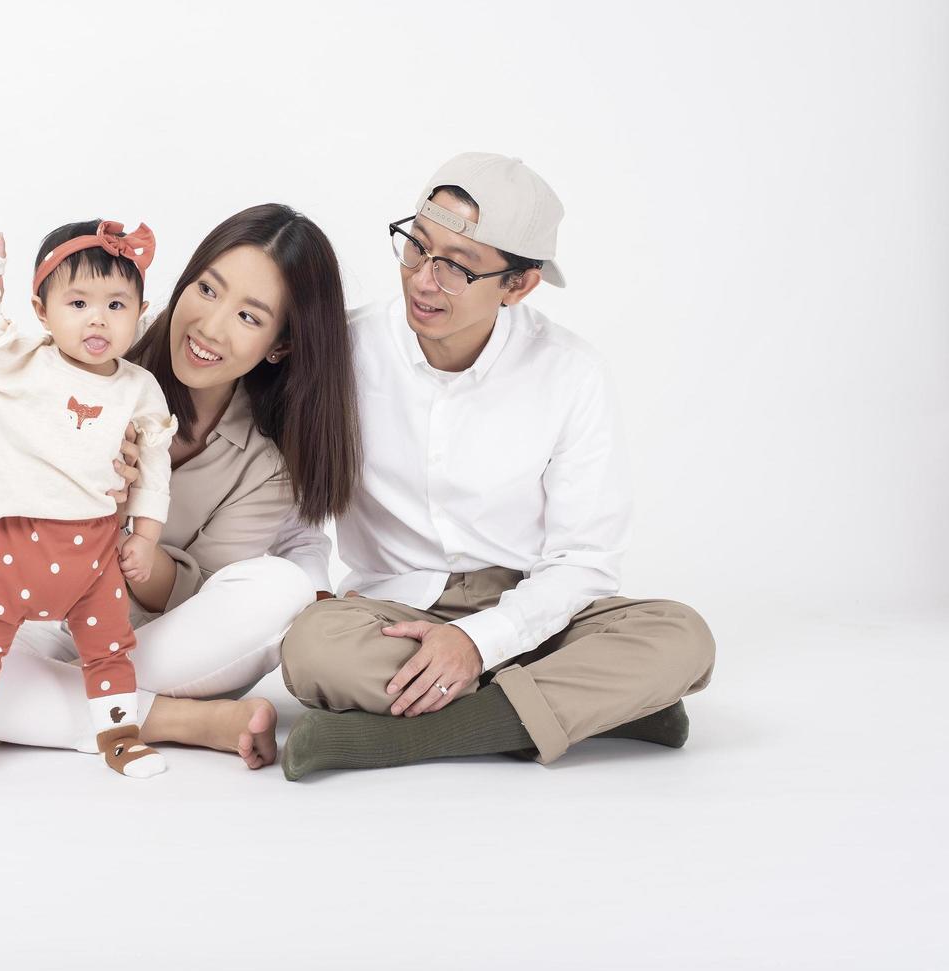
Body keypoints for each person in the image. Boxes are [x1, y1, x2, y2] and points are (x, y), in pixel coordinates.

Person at [279, 153, 716, 779]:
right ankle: (593, 709)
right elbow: (293, 508)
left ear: (518, 285)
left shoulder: (570, 372)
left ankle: (405, 738)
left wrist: (481, 641)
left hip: (532, 606)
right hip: (393, 609)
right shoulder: (344, 350)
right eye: (416, 248)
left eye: (457, 267)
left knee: (683, 638)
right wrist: (311, 585)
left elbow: (584, 560)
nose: (424, 281)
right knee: (313, 650)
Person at [0, 204, 361, 771]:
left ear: (279, 344)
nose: (210, 326)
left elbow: (196, 596)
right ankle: (175, 721)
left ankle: (16, 707)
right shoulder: (80, 356)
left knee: (282, 586)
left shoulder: (265, 463)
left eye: (249, 317)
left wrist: (133, 526)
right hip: (39, 621)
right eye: (207, 289)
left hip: (142, 640)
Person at [0, 221, 176, 788]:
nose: (98, 318)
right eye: (78, 302)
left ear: (139, 314)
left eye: (116, 304)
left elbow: (155, 465)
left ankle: (118, 735)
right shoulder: (17, 361)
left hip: (93, 552)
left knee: (111, 648)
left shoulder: (139, 387)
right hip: (8, 544)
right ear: (41, 311)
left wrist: (146, 534)